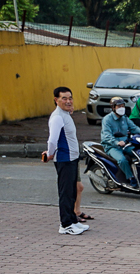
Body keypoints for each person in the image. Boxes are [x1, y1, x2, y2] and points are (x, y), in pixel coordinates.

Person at [42, 86, 88, 235]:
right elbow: (52, 140)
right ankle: (65, 224)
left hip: (73, 158)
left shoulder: (65, 114)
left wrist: (70, 109)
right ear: (56, 100)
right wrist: (50, 153)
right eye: (64, 98)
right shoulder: (57, 117)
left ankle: (73, 220)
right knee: (66, 193)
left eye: (70, 98)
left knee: (72, 191)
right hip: (64, 159)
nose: (68, 101)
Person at [100, 97, 140, 189]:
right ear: (113, 108)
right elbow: (107, 135)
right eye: (119, 106)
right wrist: (116, 142)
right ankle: (130, 178)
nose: (121, 108)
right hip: (111, 146)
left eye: (123, 106)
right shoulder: (107, 119)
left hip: (126, 144)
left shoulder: (124, 118)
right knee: (122, 160)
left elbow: (134, 128)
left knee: (139, 153)